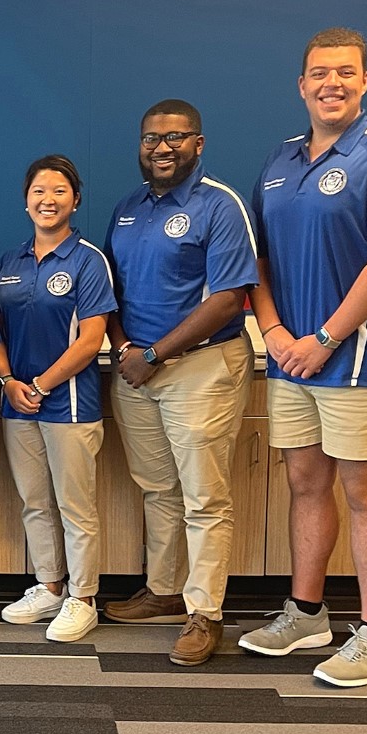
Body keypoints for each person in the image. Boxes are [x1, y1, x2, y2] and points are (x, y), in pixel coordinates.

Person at [239, 28, 367, 687]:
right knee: (304, 484)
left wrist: (322, 338)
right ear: (301, 84)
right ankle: (307, 611)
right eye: (320, 73)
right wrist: (274, 332)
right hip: (291, 360)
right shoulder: (279, 160)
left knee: (366, 493)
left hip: (361, 363)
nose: (332, 83)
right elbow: (255, 258)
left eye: (346, 73)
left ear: (365, 81)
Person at [102, 99, 258, 666]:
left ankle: (205, 611)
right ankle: (164, 590)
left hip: (201, 367)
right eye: (150, 138)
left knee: (203, 496)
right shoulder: (127, 208)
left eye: (174, 137)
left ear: (198, 143)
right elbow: (107, 291)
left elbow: (227, 298)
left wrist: (155, 353)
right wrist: (125, 349)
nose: (161, 147)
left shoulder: (220, 205)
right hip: (137, 370)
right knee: (158, 487)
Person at [0, 155, 117, 642]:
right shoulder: (11, 261)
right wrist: (8, 381)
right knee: (34, 502)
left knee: (74, 505)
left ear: (76, 199)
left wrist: (41, 386)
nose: (48, 199)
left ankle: (83, 598)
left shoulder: (87, 259)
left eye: (59, 191)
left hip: (69, 406)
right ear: (26, 200)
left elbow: (91, 340)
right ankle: (49, 586)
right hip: (16, 403)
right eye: (39, 190)